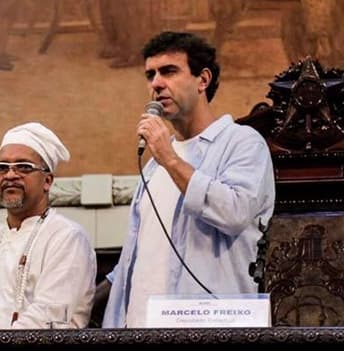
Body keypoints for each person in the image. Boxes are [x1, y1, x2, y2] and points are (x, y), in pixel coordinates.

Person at [101, 31, 275, 328]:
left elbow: (234, 212)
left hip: (207, 335)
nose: (156, 84)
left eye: (168, 71)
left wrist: (170, 158)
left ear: (202, 80)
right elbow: (140, 253)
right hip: (137, 332)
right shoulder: (155, 166)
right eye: (150, 75)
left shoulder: (242, 143)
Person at [0, 122, 96, 329]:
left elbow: (48, 315)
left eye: (23, 167)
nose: (10, 175)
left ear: (47, 181)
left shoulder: (66, 236)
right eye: (2, 168)